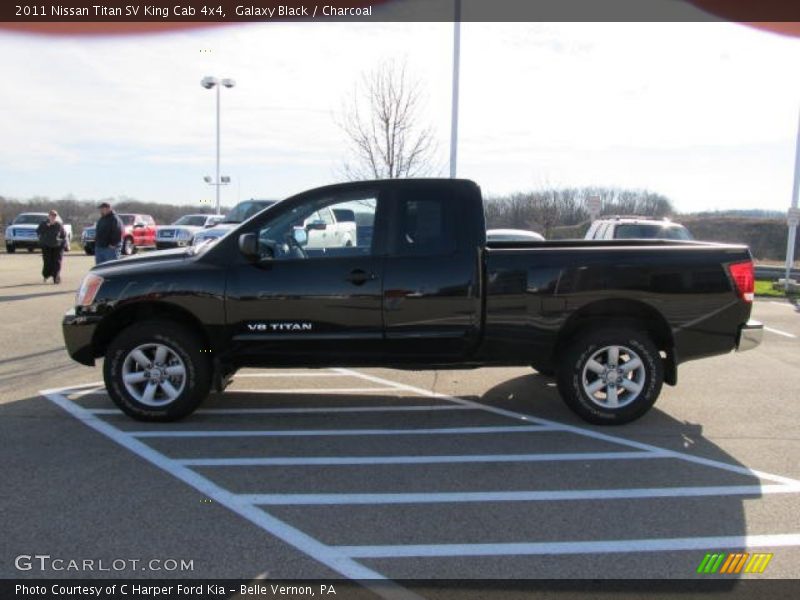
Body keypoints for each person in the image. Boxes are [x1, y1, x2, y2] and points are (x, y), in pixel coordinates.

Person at [36, 209, 67, 284]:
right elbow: (38, 231)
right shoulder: (43, 224)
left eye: (54, 215)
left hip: (57, 246)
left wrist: (63, 243)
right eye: (51, 215)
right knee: (47, 261)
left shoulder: (58, 225)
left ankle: (56, 277)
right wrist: (46, 226)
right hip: (46, 245)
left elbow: (63, 235)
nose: (53, 217)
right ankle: (46, 275)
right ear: (49, 216)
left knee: (57, 262)